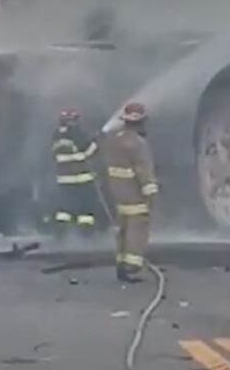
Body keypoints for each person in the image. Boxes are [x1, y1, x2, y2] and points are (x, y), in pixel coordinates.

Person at [104, 102, 158, 282]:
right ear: (139, 122)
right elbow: (144, 173)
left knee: (123, 230)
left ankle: (121, 265)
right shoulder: (138, 144)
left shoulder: (114, 140)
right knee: (137, 231)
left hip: (118, 195)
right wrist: (151, 196)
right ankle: (131, 267)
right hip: (135, 196)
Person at [49, 109, 101, 239]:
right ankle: (86, 234)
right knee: (85, 207)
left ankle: (60, 233)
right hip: (82, 177)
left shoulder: (56, 135)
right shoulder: (77, 133)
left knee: (64, 208)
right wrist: (96, 141)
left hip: (63, 178)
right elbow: (88, 152)